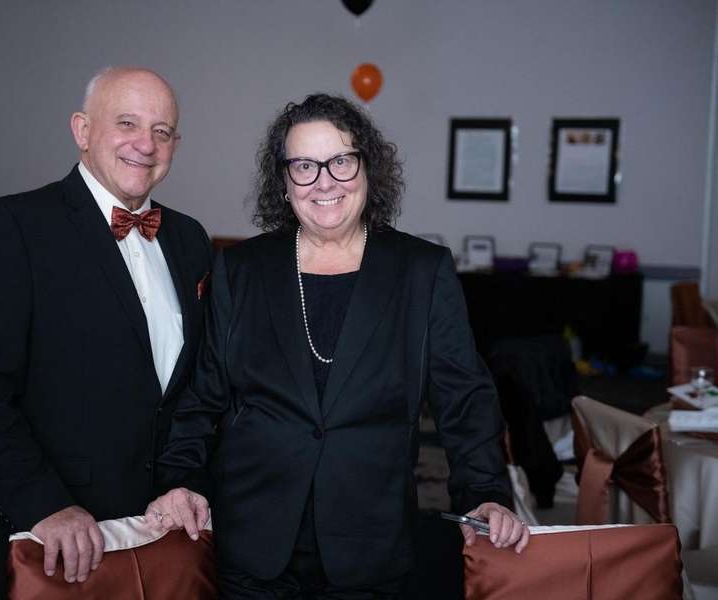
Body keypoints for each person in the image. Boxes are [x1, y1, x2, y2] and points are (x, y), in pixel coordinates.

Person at [149, 94, 527, 598]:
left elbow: (464, 396)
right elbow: (203, 396)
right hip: (252, 540)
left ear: (367, 169)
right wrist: (180, 479)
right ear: (284, 182)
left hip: (371, 542)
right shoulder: (241, 269)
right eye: (304, 166)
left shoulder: (422, 270)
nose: (324, 182)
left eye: (341, 161)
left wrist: (485, 492)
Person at [0, 67, 213, 596]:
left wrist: (184, 482)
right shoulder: (12, 226)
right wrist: (43, 504)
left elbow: (199, 386)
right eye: (127, 123)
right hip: (51, 540)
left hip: (164, 534)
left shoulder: (190, 239)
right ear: (82, 130)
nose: (145, 144)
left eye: (161, 131)